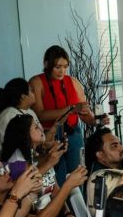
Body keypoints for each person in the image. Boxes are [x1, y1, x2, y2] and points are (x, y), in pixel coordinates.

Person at [29, 46, 101, 184]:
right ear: (46, 64)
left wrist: (97, 121)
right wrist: (71, 109)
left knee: (78, 175)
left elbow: (85, 114)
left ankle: (78, 199)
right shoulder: (36, 82)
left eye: (65, 67)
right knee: (57, 178)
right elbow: (40, 115)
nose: (62, 71)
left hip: (73, 132)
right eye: (57, 67)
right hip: (49, 136)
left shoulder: (73, 82)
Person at [0, 78, 42, 155]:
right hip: (16, 160)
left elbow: (40, 139)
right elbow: (13, 147)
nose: (34, 93)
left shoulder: (30, 111)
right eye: (31, 91)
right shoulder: (8, 115)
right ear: (23, 96)